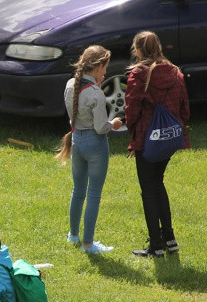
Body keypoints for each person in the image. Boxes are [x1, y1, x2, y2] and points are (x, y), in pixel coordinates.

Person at [124, 30, 190, 258]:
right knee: (158, 184)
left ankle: (156, 246)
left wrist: (132, 132)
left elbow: (131, 109)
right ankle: (170, 239)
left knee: (149, 190)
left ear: (139, 50)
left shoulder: (139, 75)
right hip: (169, 139)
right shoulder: (175, 72)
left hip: (146, 139)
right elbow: (185, 108)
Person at [55, 45, 124, 253]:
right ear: (97, 67)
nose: (105, 72)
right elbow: (101, 127)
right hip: (95, 145)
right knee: (93, 194)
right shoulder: (95, 94)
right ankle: (88, 244)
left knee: (78, 191)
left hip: (77, 140)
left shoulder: (70, 85)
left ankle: (73, 235)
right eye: (104, 68)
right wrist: (116, 124)